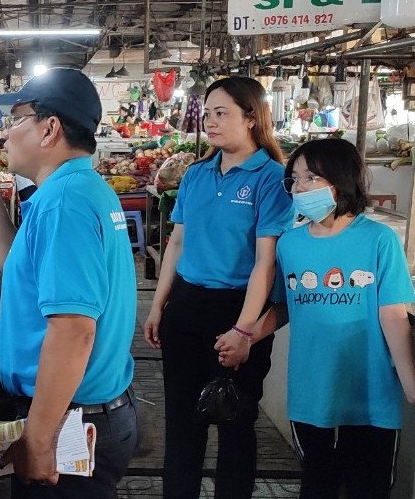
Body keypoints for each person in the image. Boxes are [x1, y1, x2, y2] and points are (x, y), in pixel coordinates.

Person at [0, 68, 138, 498]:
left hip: (71, 421)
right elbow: (22, 273)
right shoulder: (77, 188)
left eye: (15, 118)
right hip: (78, 410)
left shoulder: (64, 202)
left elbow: (74, 329)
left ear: (49, 129)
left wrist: (39, 439)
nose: (4, 134)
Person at [224, 139, 415, 499]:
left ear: (341, 180)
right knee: (317, 483)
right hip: (312, 391)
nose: (300, 188)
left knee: (368, 488)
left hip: (372, 394)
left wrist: (409, 383)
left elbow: (392, 314)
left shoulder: (379, 240)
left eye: (311, 177)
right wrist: (246, 338)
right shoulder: (290, 245)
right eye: (294, 180)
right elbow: (283, 308)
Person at [142, 76, 293, 499]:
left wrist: (245, 331)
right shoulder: (196, 174)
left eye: (221, 113)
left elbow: (266, 262)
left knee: (235, 423)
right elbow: (176, 243)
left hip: (239, 308)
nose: (210, 121)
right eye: (207, 113)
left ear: (251, 118)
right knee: (183, 424)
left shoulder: (271, 178)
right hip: (187, 307)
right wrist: (158, 307)